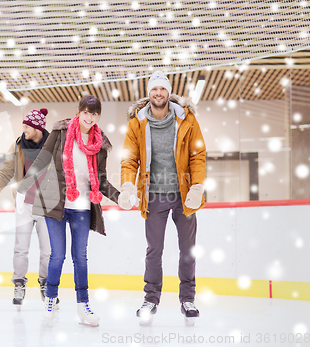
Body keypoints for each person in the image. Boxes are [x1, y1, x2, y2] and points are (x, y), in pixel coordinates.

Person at [16, 95, 121, 326]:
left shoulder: (100, 143)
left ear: (98, 116)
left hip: (83, 207)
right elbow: (42, 160)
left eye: (94, 114)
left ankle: (83, 306)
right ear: (79, 111)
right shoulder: (61, 133)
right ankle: (50, 299)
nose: (89, 117)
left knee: (80, 258)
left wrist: (119, 197)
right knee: (57, 256)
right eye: (86, 112)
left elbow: (101, 180)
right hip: (56, 203)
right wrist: (25, 187)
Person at [119, 70, 207, 326]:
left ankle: (187, 299)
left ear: (168, 93)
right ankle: (151, 299)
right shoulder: (137, 122)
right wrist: (127, 185)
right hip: (154, 194)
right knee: (154, 250)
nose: (158, 94)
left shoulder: (186, 119)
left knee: (187, 249)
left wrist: (197, 187)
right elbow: (129, 157)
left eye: (163, 89)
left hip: (184, 194)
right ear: (149, 94)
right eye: (154, 90)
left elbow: (197, 155)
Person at [0, 108, 51, 309]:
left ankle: (46, 285)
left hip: (47, 206)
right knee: (21, 249)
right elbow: (6, 172)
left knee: (48, 252)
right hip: (24, 205)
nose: (24, 129)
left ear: (38, 127)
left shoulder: (53, 145)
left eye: (27, 126)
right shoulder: (18, 145)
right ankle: (19, 285)